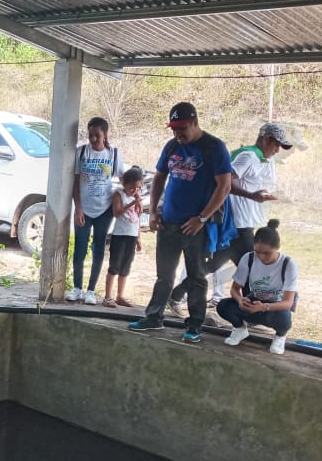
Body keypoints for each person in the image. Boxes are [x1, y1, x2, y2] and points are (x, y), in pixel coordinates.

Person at [129, 102, 233, 342]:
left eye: (182, 129)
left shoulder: (214, 147)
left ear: (195, 123)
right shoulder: (172, 146)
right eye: (174, 129)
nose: (178, 134)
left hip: (195, 225)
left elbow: (224, 186)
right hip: (168, 221)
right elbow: (159, 177)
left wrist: (202, 218)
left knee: (197, 277)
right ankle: (154, 317)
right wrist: (153, 212)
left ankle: (194, 324)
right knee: (164, 275)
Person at [169, 122, 292, 315]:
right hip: (238, 224)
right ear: (266, 139)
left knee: (213, 266)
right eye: (276, 145)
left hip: (244, 224)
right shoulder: (248, 157)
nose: (277, 150)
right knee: (253, 268)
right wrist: (251, 195)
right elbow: (224, 183)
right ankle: (254, 314)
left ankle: (176, 295)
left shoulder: (261, 160)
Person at [216, 219, 297, 355]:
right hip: (254, 302)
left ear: (278, 248)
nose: (261, 257)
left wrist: (264, 307)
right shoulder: (248, 258)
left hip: (275, 306)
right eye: (257, 252)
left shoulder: (288, 264)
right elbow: (235, 289)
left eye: (267, 253)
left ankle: (280, 336)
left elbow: (288, 303)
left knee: (284, 318)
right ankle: (240, 329)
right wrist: (240, 300)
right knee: (223, 306)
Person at [68, 117, 126, 305]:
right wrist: (78, 208)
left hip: (104, 210)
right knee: (80, 248)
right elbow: (75, 182)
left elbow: (124, 180)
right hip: (84, 209)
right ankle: (77, 288)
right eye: (90, 135)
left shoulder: (113, 155)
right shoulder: (82, 152)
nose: (93, 139)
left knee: (98, 249)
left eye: (97, 135)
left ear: (105, 135)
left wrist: (134, 198)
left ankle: (91, 291)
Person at [102, 167, 144, 308]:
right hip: (120, 235)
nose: (134, 190)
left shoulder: (137, 196)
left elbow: (137, 218)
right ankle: (108, 296)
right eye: (131, 187)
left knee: (126, 267)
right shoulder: (118, 194)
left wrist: (138, 237)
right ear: (124, 183)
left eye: (137, 188)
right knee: (114, 266)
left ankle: (120, 296)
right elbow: (117, 212)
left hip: (132, 235)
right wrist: (132, 202)